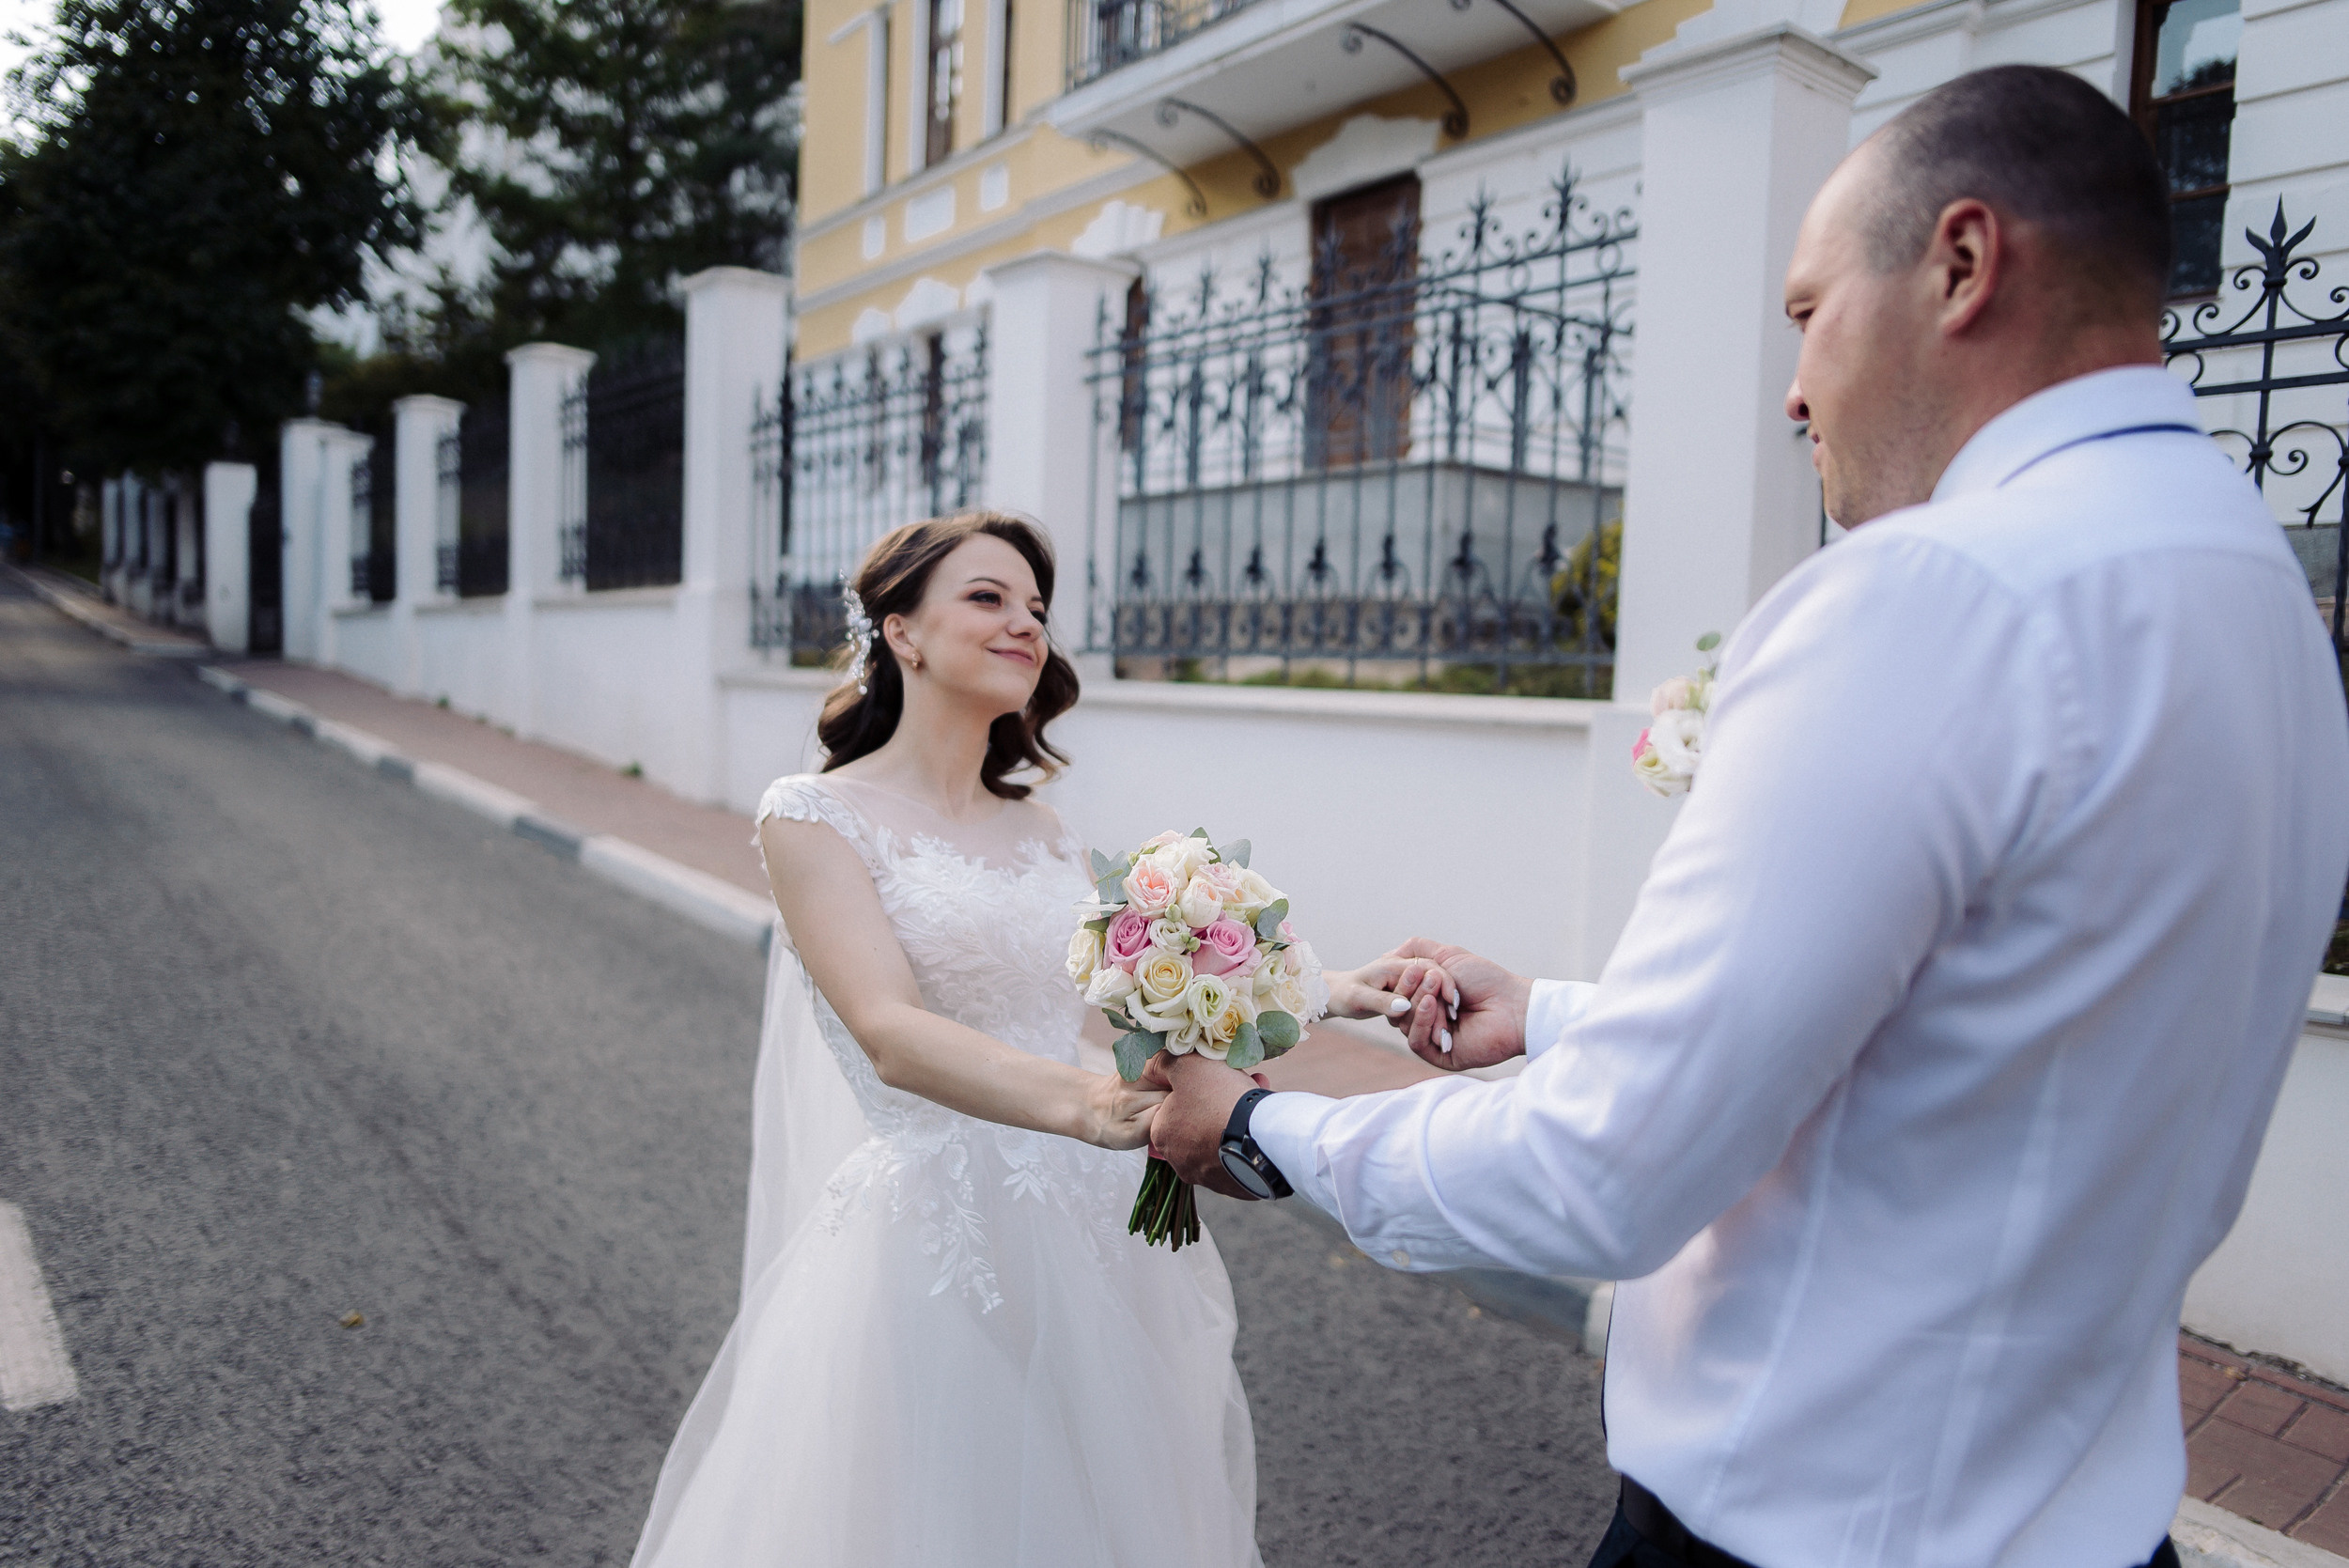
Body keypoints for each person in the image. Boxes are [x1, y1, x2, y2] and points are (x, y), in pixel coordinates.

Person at [1144, 65, 2349, 1568]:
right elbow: (2002, 1038)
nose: (1793, 391)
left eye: (1806, 313)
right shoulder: (2262, 600)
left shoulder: (1931, 597)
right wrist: (1566, 1015)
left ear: (1963, 265)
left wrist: (1266, 1129)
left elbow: (1610, 1172)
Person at [629, 510, 1435, 1568]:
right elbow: (889, 1030)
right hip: (938, 1231)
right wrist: (1092, 1104)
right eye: (988, 597)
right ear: (900, 631)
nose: (1025, 624)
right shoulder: (814, 816)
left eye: (1038, 609)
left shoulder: (1042, 827)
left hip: (1094, 1227)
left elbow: (1114, 999)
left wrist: (1327, 989)